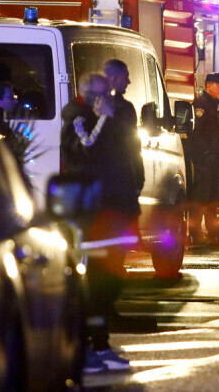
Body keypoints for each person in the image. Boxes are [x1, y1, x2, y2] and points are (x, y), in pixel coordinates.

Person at [62, 72, 138, 374]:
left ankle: (100, 346)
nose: (107, 98)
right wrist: (105, 119)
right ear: (89, 96)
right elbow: (88, 149)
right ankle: (88, 349)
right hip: (93, 214)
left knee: (111, 281)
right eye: (101, 93)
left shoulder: (109, 120)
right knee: (95, 283)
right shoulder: (78, 120)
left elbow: (123, 159)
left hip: (114, 211)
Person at [189, 73, 219, 243]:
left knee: (212, 196)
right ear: (209, 86)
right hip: (204, 161)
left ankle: (213, 231)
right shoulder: (202, 104)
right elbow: (196, 133)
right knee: (201, 196)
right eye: (218, 85)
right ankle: (195, 231)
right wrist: (205, 154)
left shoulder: (212, 105)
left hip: (212, 160)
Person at [104, 59, 145, 198]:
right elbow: (132, 146)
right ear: (114, 78)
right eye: (125, 76)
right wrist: (139, 178)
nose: (129, 81)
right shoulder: (125, 108)